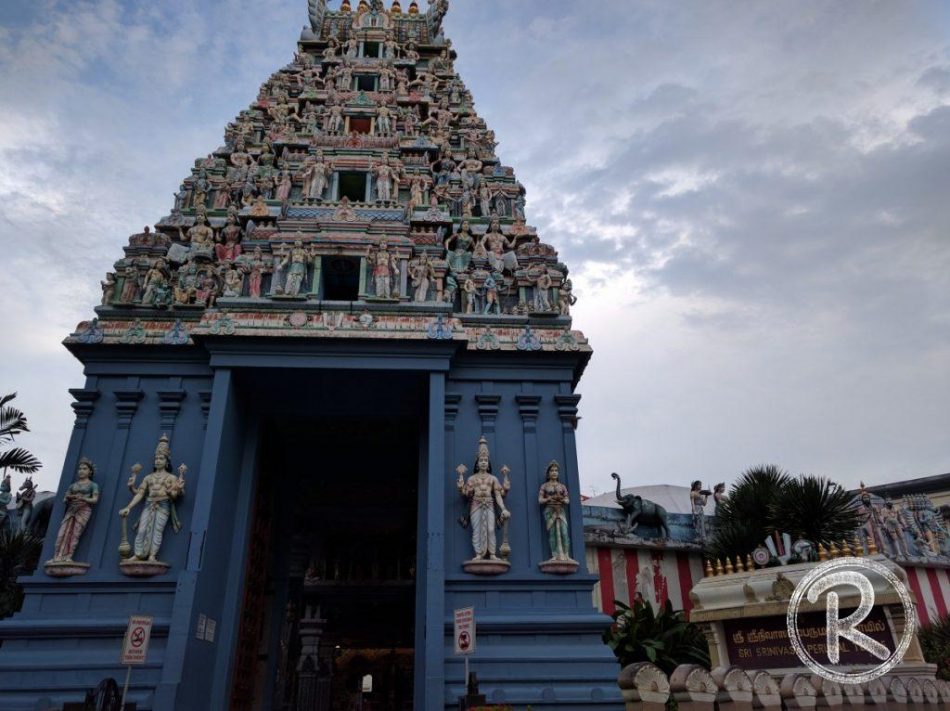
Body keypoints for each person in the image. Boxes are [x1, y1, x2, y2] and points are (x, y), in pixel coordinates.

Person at [119, 435, 186, 563]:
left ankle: (152, 556)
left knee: (157, 530)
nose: (158, 461)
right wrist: (129, 505)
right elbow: (140, 493)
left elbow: (175, 495)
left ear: (167, 462)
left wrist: (170, 491)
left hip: (163, 505)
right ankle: (138, 554)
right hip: (149, 504)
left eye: (161, 458)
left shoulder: (172, 478)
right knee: (142, 530)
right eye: (156, 458)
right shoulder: (148, 477)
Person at [457, 437, 511, 561]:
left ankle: (492, 553)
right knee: (476, 529)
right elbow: (466, 493)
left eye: (485, 460)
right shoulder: (472, 478)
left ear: (488, 463)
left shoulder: (493, 479)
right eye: (481, 460)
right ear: (477, 463)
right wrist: (461, 486)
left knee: (491, 529)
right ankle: (479, 554)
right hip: (476, 505)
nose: (483, 462)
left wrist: (503, 508)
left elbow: (498, 495)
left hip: (490, 505)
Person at [50, 459, 100, 562]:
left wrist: (83, 498)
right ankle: (57, 556)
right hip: (71, 510)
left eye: (84, 469)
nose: (81, 471)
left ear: (90, 472)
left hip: (83, 510)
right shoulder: (73, 485)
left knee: (75, 534)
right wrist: (70, 497)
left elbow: (94, 500)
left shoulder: (93, 485)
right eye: (80, 469)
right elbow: (65, 498)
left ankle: (68, 556)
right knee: (62, 533)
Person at [538, 461, 574, 562]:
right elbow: (540, 500)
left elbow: (567, 500)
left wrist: (561, 499)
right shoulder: (544, 486)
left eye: (556, 470)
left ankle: (566, 554)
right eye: (552, 470)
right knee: (553, 533)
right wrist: (549, 499)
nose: (554, 472)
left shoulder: (562, 486)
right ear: (548, 473)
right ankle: (555, 555)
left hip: (560, 510)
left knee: (564, 532)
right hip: (549, 510)